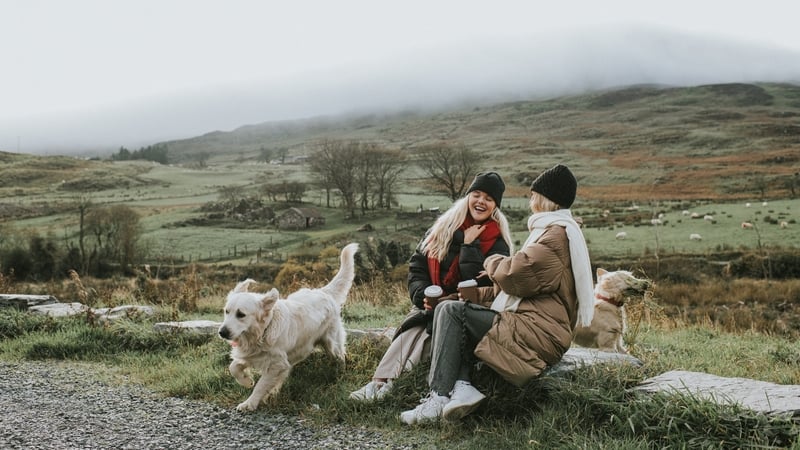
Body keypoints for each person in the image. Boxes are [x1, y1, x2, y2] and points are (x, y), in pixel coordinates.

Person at [399, 164, 594, 425]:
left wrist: (493, 262)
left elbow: (515, 276)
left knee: (453, 312)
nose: (530, 200)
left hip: (537, 333)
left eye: (533, 194)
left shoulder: (555, 237)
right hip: (534, 324)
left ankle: (438, 397)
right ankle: (462, 385)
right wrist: (476, 293)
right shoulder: (554, 231)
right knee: (458, 308)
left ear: (546, 199)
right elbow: (519, 287)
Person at [350, 172, 513, 402]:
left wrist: (469, 246)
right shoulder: (442, 228)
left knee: (426, 333)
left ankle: (392, 384)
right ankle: (376, 383)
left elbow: (481, 286)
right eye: (476, 194)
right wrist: (421, 295)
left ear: (496, 205)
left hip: (460, 310)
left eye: (488, 198)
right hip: (432, 302)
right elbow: (417, 266)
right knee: (412, 327)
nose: (481, 202)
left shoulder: (498, 243)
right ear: (468, 197)